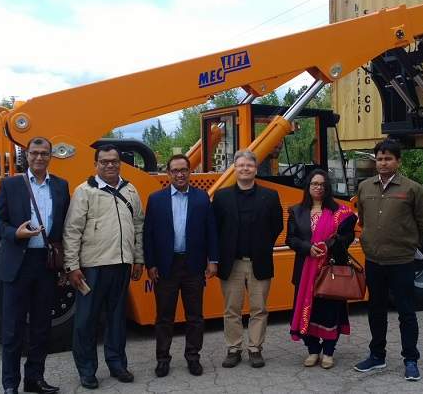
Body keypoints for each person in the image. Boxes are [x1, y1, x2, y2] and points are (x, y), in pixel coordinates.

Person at [0, 137, 70, 394]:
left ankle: (34, 379)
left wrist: (65, 265)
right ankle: (10, 384)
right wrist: (16, 233)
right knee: (13, 330)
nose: (39, 157)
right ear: (26, 156)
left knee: (41, 328)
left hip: (46, 265)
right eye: (34, 153)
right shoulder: (10, 185)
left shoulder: (60, 185)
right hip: (18, 264)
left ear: (50, 156)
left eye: (44, 153)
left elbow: (64, 227)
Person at [62, 144, 145, 390]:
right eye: (104, 161)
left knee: (117, 319)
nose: (110, 165)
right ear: (96, 164)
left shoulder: (130, 190)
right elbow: (72, 230)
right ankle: (87, 370)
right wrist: (72, 266)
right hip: (92, 268)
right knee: (86, 321)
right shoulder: (84, 191)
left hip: (121, 265)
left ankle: (117, 364)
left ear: (120, 163)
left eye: (114, 161)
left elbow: (138, 226)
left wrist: (138, 259)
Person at [353, 139, 423, 381]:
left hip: (401, 262)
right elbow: (363, 220)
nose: (383, 163)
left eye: (388, 158)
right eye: (379, 159)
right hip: (374, 261)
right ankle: (377, 356)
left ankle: (411, 359)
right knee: (376, 310)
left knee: (406, 312)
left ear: (398, 161)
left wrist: (409, 244)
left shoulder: (412, 189)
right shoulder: (365, 187)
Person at [143, 154, 219, 378]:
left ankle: (193, 357)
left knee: (195, 316)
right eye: (175, 170)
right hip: (165, 266)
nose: (180, 174)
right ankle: (162, 359)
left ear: (190, 172)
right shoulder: (156, 199)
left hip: (193, 265)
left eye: (184, 170)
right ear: (168, 173)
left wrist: (213, 260)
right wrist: (150, 264)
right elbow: (148, 234)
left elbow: (211, 231)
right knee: (164, 317)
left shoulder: (202, 198)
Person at [212, 149, 283, 369]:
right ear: (234, 168)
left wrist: (262, 246)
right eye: (241, 165)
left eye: (249, 165)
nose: (245, 168)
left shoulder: (270, 196)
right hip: (231, 262)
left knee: (259, 309)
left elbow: (277, 226)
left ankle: (255, 348)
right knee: (231, 309)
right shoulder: (221, 197)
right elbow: (214, 228)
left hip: (258, 261)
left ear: (255, 169)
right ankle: (234, 349)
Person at [288, 169, 356, 370]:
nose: (318, 187)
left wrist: (328, 244)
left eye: (322, 184)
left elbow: (348, 237)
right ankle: (312, 350)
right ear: (308, 186)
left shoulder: (341, 213)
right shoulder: (296, 211)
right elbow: (290, 239)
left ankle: (328, 352)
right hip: (305, 271)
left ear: (327, 188)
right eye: (314, 184)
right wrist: (308, 248)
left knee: (329, 312)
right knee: (306, 311)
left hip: (330, 270)